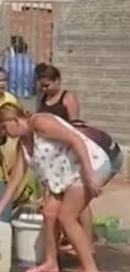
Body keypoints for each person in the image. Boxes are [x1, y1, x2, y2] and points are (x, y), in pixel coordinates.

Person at [0, 103, 124, 272]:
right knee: (49, 211)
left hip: (90, 165)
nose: (5, 133)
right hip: (66, 175)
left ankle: (91, 270)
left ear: (15, 120)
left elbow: (76, 140)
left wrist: (89, 175)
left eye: (4, 127)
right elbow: (16, 177)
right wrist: (0, 207)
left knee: (67, 217)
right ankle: (51, 263)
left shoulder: (40, 122)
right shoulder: (23, 144)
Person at [35, 63, 90, 253]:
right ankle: (67, 238)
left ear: (57, 81)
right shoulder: (43, 98)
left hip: (70, 150)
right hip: (54, 155)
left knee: (78, 200)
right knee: (60, 197)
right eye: (42, 85)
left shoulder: (68, 99)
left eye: (48, 84)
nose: (45, 88)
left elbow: (76, 127)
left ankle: (87, 242)